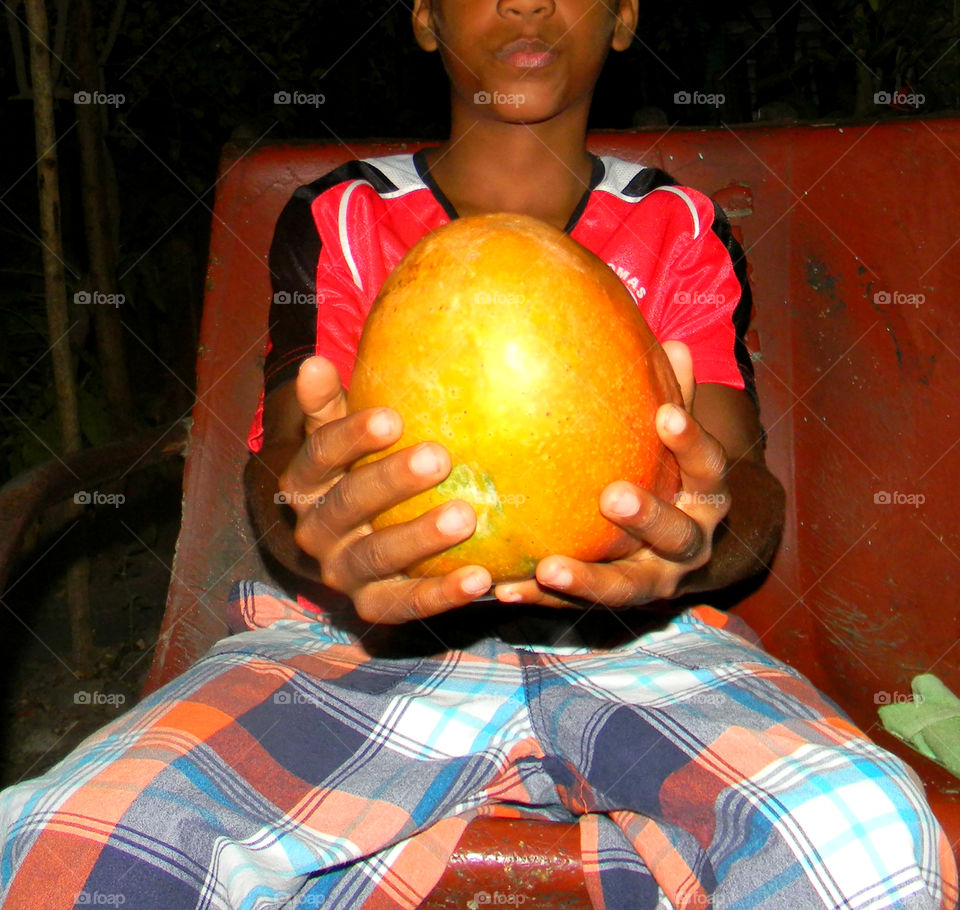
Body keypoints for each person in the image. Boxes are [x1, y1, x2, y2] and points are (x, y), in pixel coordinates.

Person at [1, 1, 957, 908]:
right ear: (425, 14)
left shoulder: (679, 226)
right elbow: (288, 462)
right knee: (66, 840)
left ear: (624, 14)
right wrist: (310, 530)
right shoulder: (343, 216)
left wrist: (695, 540)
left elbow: (741, 486)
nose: (528, 4)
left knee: (864, 839)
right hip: (349, 645)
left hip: (645, 648)